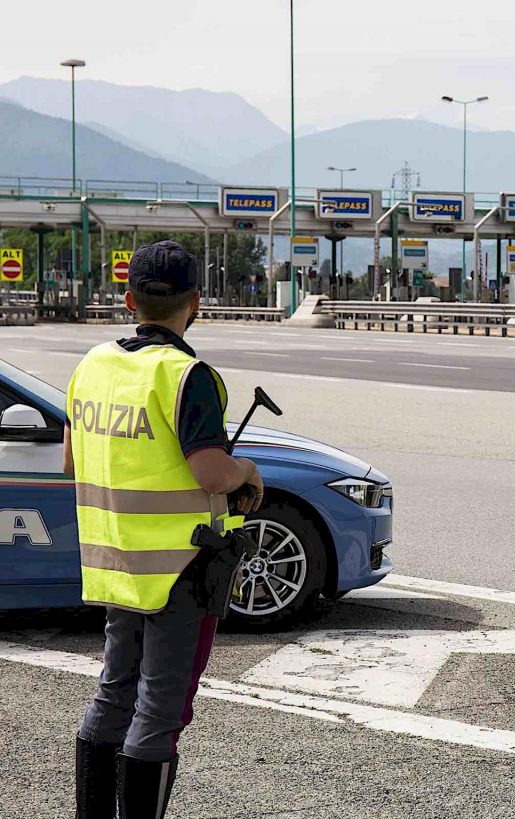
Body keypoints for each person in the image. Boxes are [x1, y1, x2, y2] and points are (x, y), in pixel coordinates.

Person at [64, 240, 264, 818]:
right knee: (160, 707)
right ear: (195, 302)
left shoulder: (93, 366)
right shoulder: (186, 376)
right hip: (181, 568)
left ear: (128, 300)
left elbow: (72, 463)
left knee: (114, 689)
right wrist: (246, 471)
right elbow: (210, 471)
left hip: (116, 565)